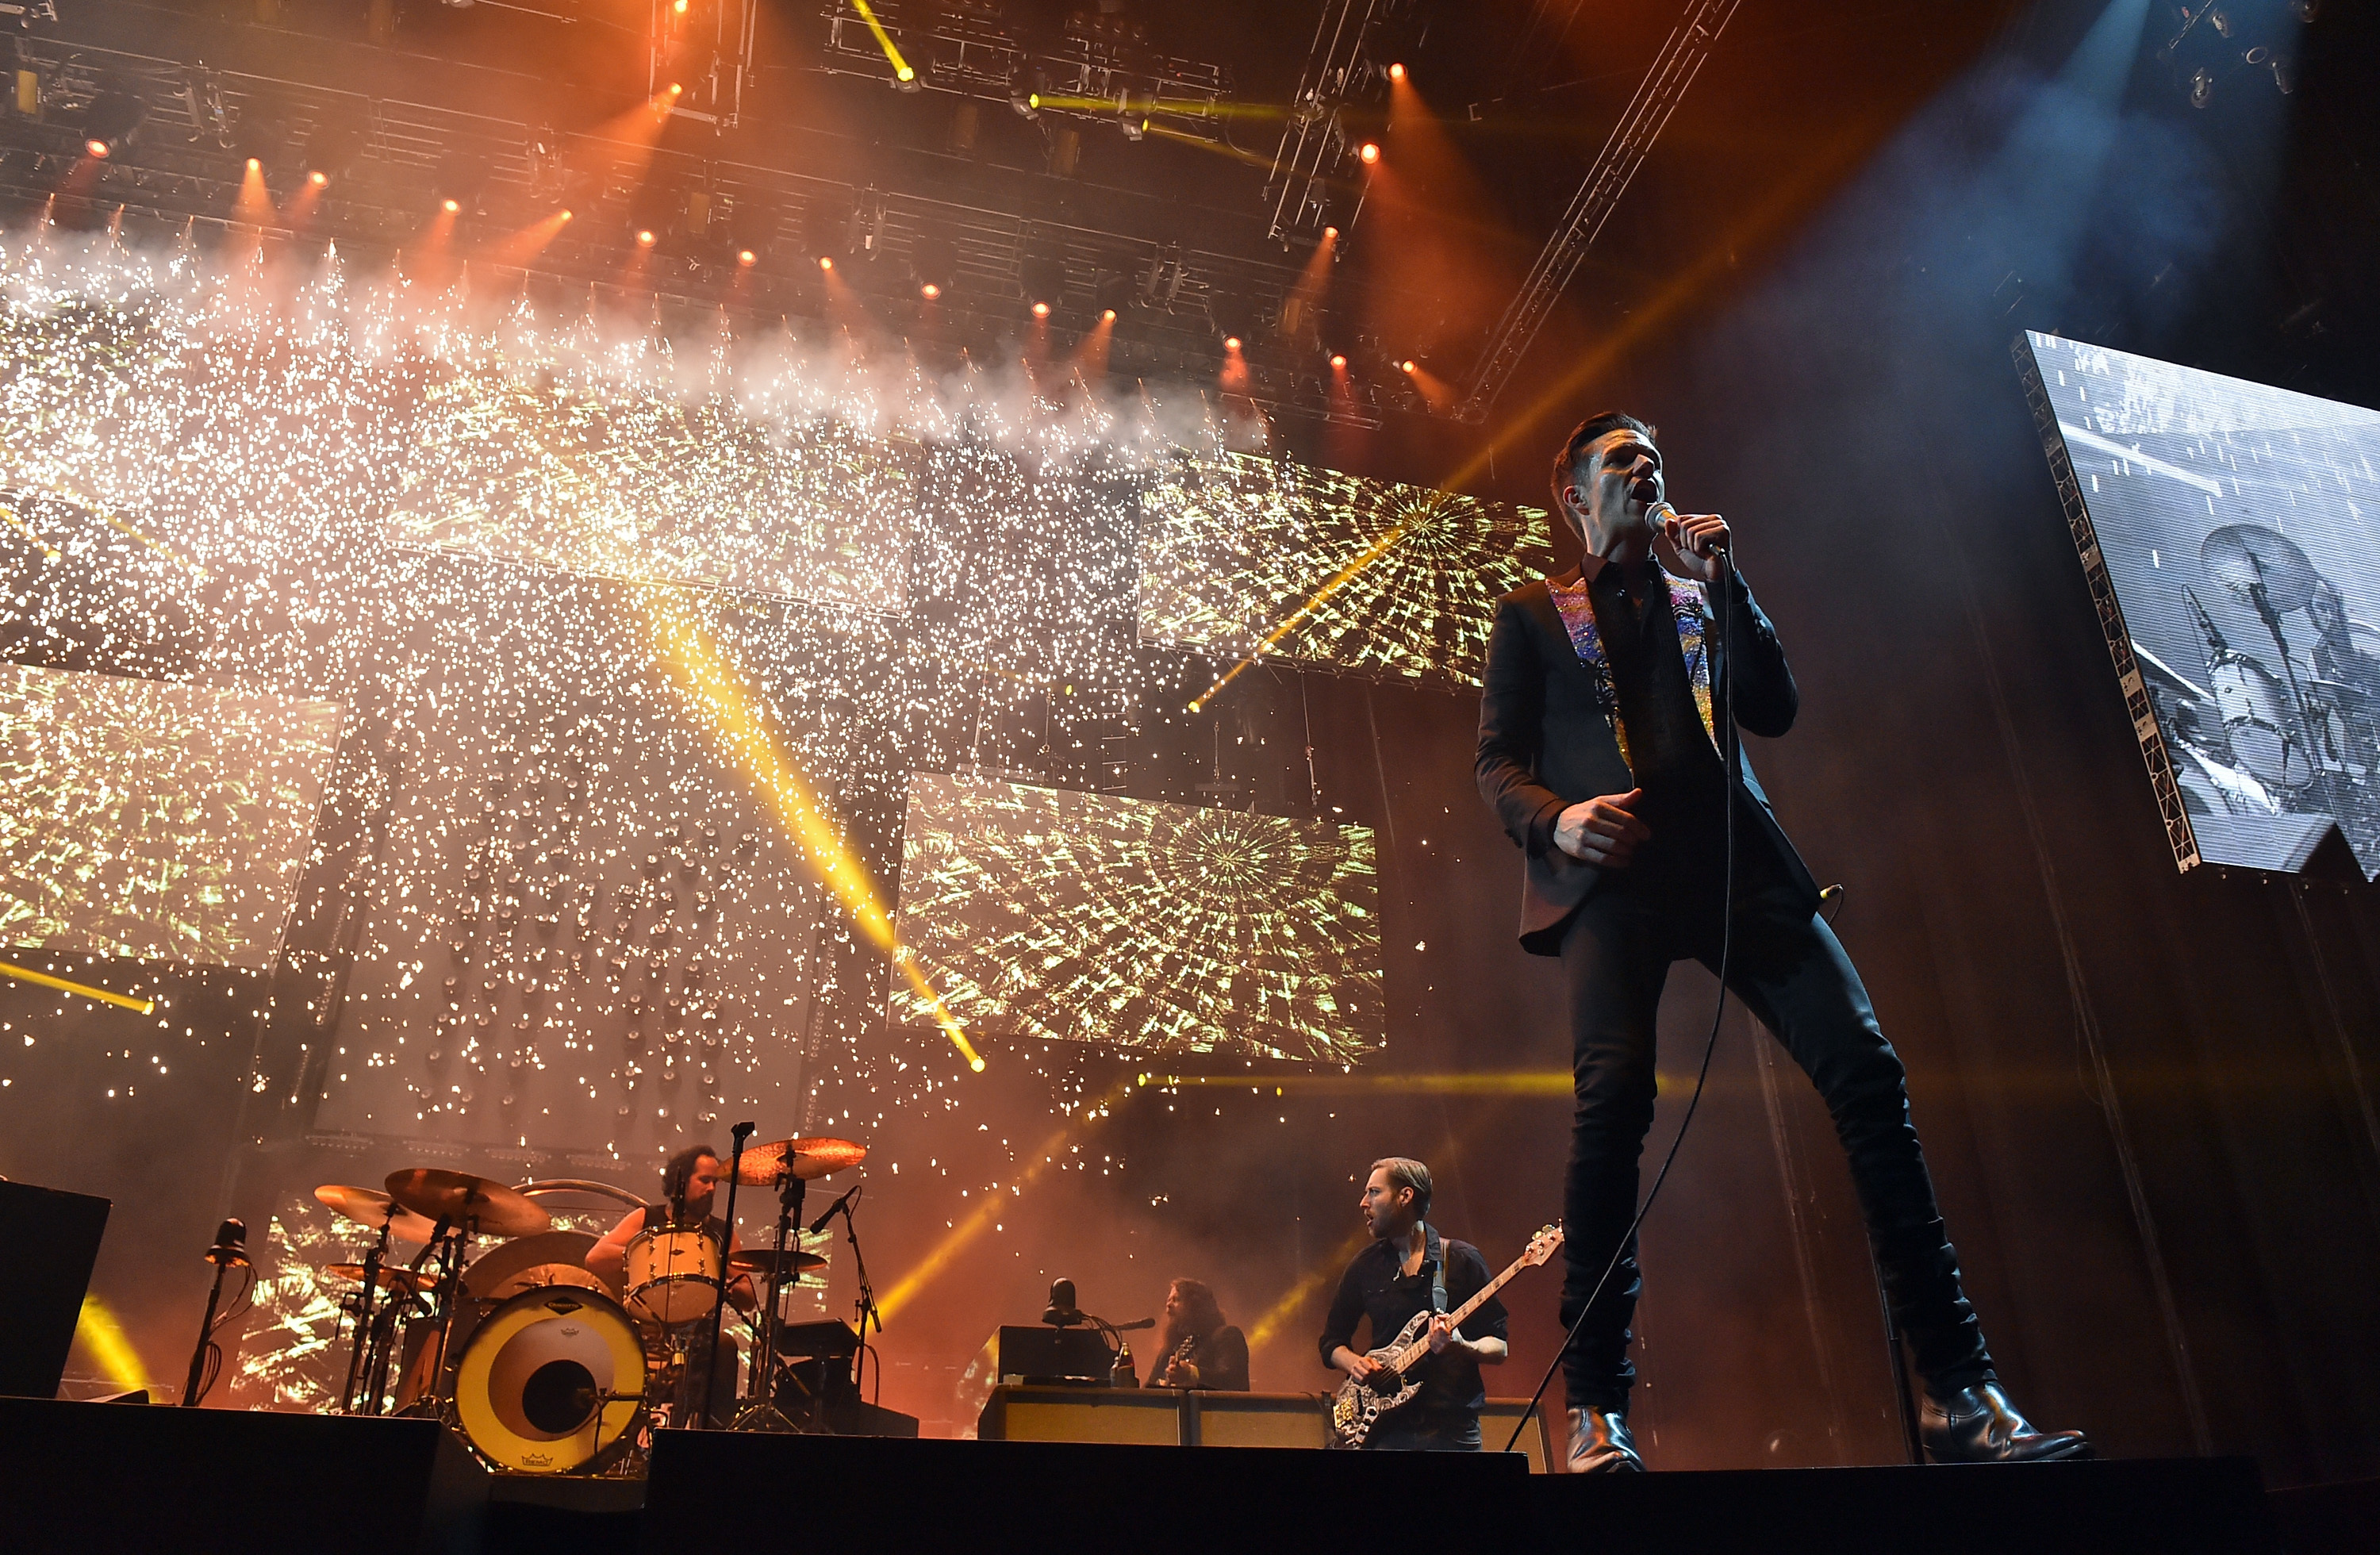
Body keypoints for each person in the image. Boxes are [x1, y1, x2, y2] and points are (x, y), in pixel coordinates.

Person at [1474, 412, 2093, 1472]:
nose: (1647, 468)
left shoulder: (1696, 594)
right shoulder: (1534, 617)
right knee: (1613, 1102)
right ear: (1575, 497)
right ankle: (1595, 1412)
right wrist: (1559, 820)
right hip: (1613, 880)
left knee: (1866, 1070)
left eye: (1653, 455)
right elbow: (1497, 767)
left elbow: (1779, 708)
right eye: (1620, 461)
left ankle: (1958, 1392)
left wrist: (1730, 583)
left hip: (1737, 870)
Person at [1319, 1158, 1507, 1450]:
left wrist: (1462, 1346)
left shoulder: (1461, 1259)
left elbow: (1499, 1347)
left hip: (1452, 1432)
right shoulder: (1364, 1266)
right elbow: (1331, 1342)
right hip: (1385, 1432)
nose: (1363, 1203)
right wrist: (1356, 1364)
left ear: (1405, 1196)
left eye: (1374, 1192)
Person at [588, 1143, 757, 1426]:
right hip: (647, 1329)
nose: (712, 1189)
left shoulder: (721, 1233)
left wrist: (723, 1270)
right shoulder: (646, 1218)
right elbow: (594, 1258)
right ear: (681, 1181)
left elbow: (749, 1298)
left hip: (701, 1336)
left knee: (725, 1346)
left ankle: (712, 1437)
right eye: (704, 1180)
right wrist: (648, 1249)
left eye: (715, 1182)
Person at [1146, 1278, 1250, 1392]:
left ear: (1196, 1305)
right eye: (1168, 1300)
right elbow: (1148, 1391)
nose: (1168, 1305)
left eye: (1176, 1299)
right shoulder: (1167, 1352)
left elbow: (1233, 1381)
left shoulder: (1227, 1336)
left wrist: (1192, 1373)